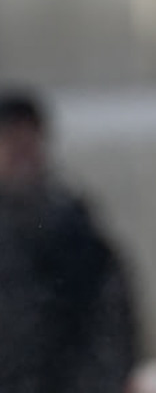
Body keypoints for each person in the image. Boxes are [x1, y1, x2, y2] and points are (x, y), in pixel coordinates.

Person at [0, 87, 138, 393]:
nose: (21, 153)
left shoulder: (75, 228)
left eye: (28, 140)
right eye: (10, 141)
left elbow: (113, 318)